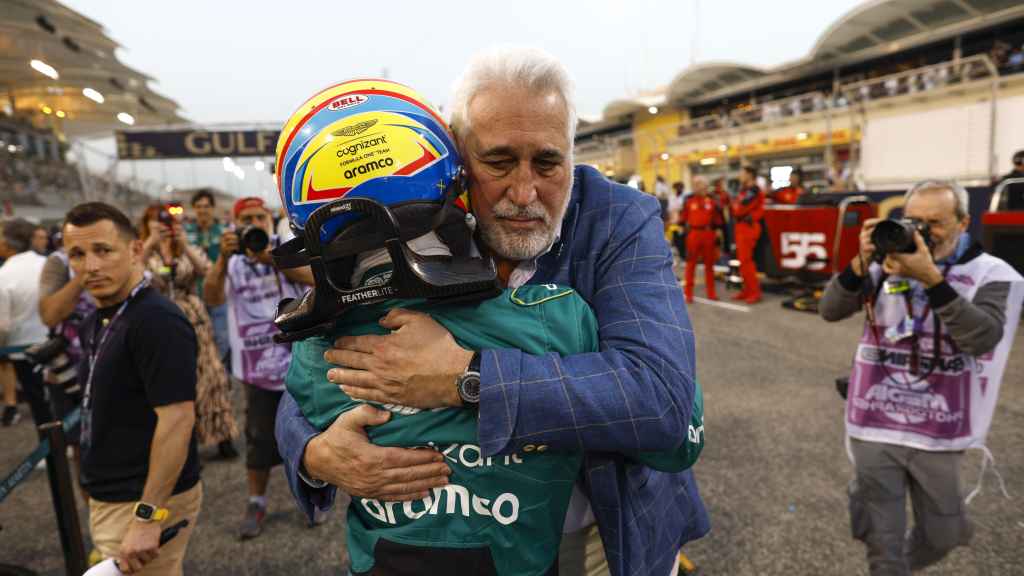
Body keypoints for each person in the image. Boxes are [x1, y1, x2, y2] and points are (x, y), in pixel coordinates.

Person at [277, 46, 709, 576]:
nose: (525, 192)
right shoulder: (416, 216)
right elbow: (323, 352)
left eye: (548, 161)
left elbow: (662, 399)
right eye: (499, 161)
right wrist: (313, 453)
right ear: (456, 159)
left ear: (573, 155)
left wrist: (468, 376)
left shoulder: (619, 218)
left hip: (606, 533)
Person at [820, 181, 1023, 576]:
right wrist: (861, 262)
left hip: (940, 428)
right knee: (884, 545)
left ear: (964, 222)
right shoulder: (884, 262)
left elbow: (982, 338)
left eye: (937, 222)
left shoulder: (992, 274)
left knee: (945, 534)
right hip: (875, 421)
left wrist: (931, 279)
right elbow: (829, 310)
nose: (924, 230)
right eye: (915, 220)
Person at [63, 202, 202, 576]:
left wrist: (147, 516)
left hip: (141, 501)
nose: (90, 266)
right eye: (77, 254)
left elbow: (177, 420)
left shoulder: (156, 320)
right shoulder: (100, 315)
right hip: (115, 496)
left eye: (103, 250)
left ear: (135, 250)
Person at [203, 196, 311, 540]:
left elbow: (313, 278)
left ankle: (310, 496)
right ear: (235, 224)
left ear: (269, 219)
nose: (255, 223)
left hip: (299, 361)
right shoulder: (231, 260)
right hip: (257, 369)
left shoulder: (286, 247)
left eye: (260, 217)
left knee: (310, 436)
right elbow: (213, 298)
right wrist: (221, 258)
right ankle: (256, 500)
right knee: (258, 440)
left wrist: (269, 257)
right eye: (246, 217)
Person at [139, 205, 239, 457]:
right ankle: (185, 441)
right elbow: (132, 276)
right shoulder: (140, 250)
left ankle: (222, 434)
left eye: (167, 221)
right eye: (156, 221)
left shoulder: (183, 246)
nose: (162, 226)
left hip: (193, 318)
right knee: (174, 380)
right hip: (158, 320)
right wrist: (150, 244)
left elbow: (207, 271)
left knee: (212, 375)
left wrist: (183, 246)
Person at [0, 218, 48, 426]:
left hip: (23, 351)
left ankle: (53, 455)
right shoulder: (49, 264)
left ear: (7, 243)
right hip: (58, 345)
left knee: (41, 409)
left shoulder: (4, 275)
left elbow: (2, 325)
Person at [681, 176, 722, 303]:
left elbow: (718, 220)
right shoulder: (689, 202)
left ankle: (711, 293)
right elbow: (683, 219)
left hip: (709, 234)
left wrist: (718, 234)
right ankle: (688, 294)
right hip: (694, 234)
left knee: (710, 265)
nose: (700, 187)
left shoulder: (712, 202)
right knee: (690, 265)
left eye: (702, 184)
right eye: (697, 184)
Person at [731, 166, 764, 304]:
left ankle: (755, 292)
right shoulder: (744, 190)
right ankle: (747, 290)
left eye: (742, 173)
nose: (740, 175)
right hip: (741, 226)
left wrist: (736, 206)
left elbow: (738, 209)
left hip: (748, 227)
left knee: (746, 261)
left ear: (750, 175)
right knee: (742, 261)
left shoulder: (753, 190)